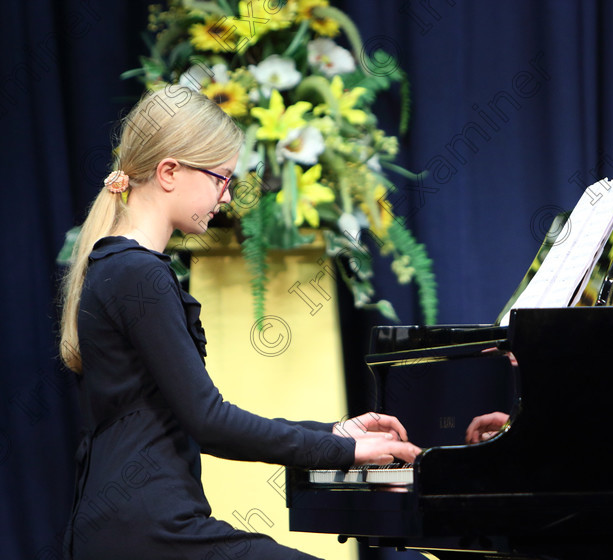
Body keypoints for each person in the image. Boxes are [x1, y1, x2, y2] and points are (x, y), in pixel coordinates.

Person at [58, 85, 421, 560]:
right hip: (147, 528)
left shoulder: (120, 266)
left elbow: (192, 417)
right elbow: (210, 422)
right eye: (220, 178)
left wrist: (334, 432)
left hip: (136, 521)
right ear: (170, 171)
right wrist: (348, 454)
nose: (226, 196)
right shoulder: (137, 273)